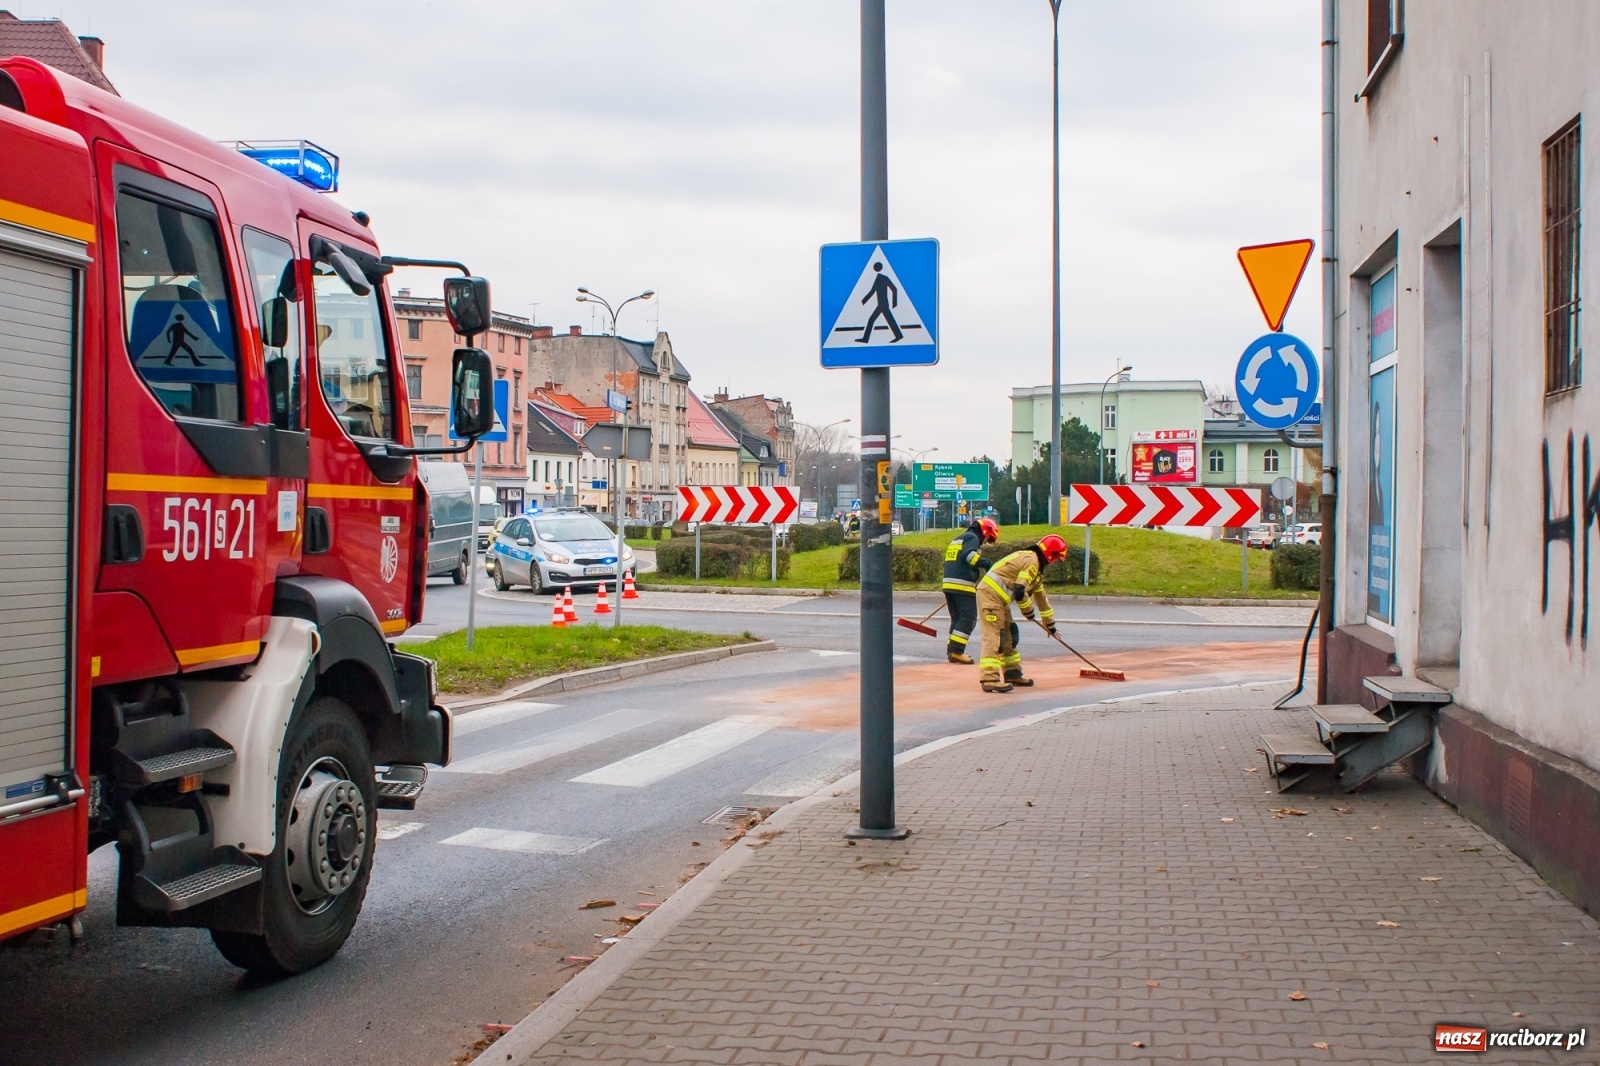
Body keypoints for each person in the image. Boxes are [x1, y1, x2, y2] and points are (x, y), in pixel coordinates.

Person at [975, 533, 1068, 693]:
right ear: (1051, 555)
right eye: (1056, 559)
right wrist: (1028, 612)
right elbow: (1019, 590)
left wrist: (1050, 625)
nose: (1054, 563)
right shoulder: (1032, 561)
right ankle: (989, 678)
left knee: (1010, 635)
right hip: (990, 597)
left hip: (998, 600)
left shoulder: (1036, 567)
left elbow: (1041, 598)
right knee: (994, 636)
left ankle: (1012, 673)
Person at [941, 517, 998, 664]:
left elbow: (948, 562)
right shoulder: (972, 538)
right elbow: (970, 557)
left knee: (957, 618)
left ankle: (952, 651)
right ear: (985, 531)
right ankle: (957, 651)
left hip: (949, 583)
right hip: (962, 585)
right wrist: (987, 564)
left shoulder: (958, 538)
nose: (985, 542)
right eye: (988, 538)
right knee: (968, 618)